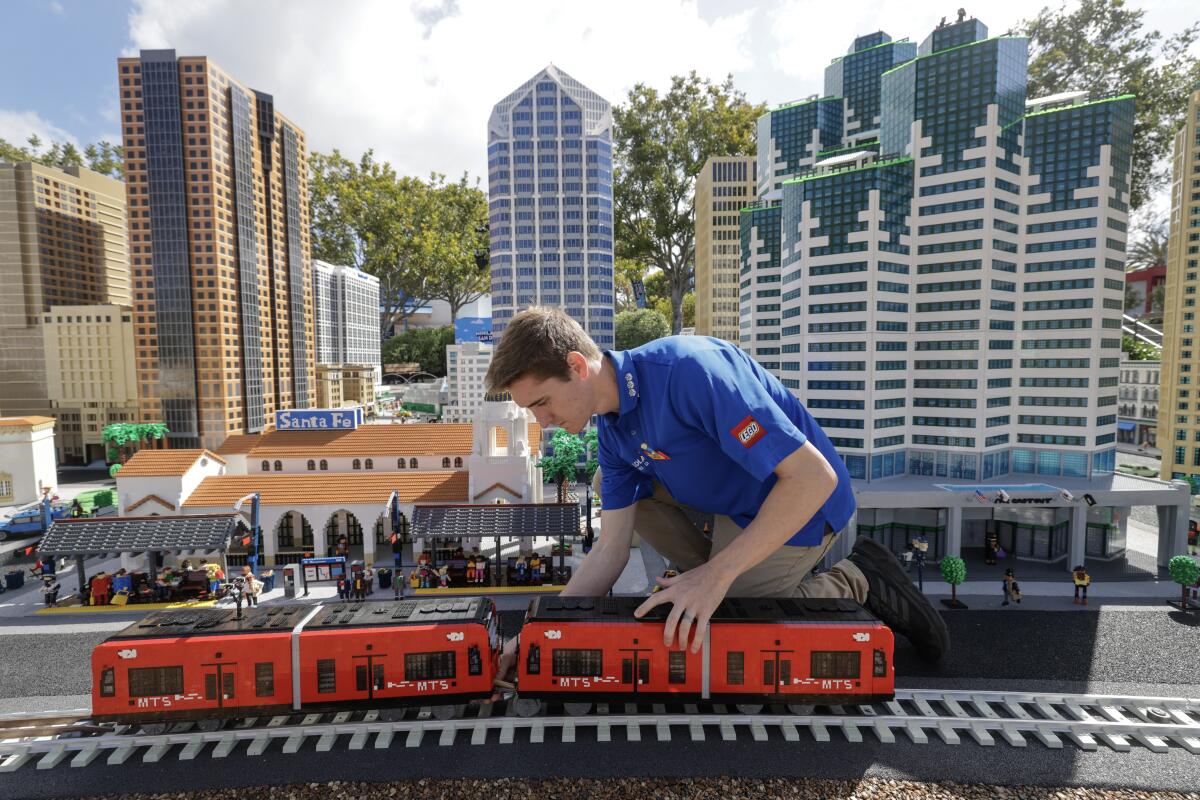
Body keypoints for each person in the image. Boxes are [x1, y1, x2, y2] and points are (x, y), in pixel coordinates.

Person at [485, 307, 949, 668]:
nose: (541, 422)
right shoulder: (610, 431)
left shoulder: (691, 372)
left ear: (576, 366)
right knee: (612, 483)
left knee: (738, 617)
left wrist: (715, 578)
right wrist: (539, 630)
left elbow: (814, 478)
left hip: (800, 504)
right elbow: (610, 550)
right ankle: (717, 574)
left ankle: (861, 578)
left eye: (541, 402)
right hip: (732, 507)